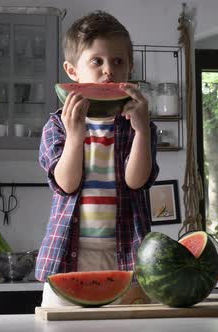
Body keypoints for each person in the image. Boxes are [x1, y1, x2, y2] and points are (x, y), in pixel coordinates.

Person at [36, 10, 159, 306]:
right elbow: (66, 184)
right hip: (67, 254)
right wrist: (75, 134)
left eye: (118, 62)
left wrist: (141, 130)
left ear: (129, 68)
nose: (108, 71)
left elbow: (136, 181)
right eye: (97, 61)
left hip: (127, 253)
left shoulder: (140, 125)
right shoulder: (56, 126)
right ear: (72, 70)